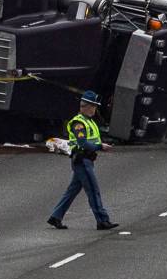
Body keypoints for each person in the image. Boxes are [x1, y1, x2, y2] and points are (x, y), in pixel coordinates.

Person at [47, 91, 118, 230]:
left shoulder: (88, 121)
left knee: (72, 190)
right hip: (82, 159)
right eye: (93, 106)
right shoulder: (79, 123)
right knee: (93, 190)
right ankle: (102, 220)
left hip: (86, 159)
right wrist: (100, 146)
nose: (95, 109)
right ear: (85, 106)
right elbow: (83, 142)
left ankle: (55, 217)